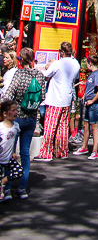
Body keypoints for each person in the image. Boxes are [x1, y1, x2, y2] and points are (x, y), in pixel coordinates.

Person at [2, 47, 46, 198]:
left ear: (20, 60)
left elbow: (9, 94)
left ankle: (6, 188)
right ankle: (22, 188)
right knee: (25, 153)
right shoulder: (39, 75)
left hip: (17, 117)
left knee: (10, 154)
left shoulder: (19, 74)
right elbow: (43, 96)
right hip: (31, 118)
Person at [37, 42, 80, 161]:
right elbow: (75, 78)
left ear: (61, 52)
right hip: (67, 98)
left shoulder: (57, 63)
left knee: (50, 126)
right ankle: (61, 151)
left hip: (54, 98)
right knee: (62, 126)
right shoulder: (76, 63)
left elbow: (46, 76)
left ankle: (46, 153)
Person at [72, 54, 98, 160]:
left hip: (95, 105)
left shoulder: (96, 74)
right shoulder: (92, 75)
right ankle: (84, 146)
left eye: (86, 63)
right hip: (88, 103)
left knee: (94, 127)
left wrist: (92, 100)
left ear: (90, 63)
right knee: (86, 125)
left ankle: (95, 151)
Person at [0, 100, 20, 202]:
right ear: (4, 114)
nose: (16, 112)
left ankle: (2, 183)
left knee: (19, 171)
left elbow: (12, 142)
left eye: (16, 110)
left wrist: (12, 153)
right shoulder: (1, 127)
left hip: (8, 158)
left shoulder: (16, 126)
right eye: (13, 110)